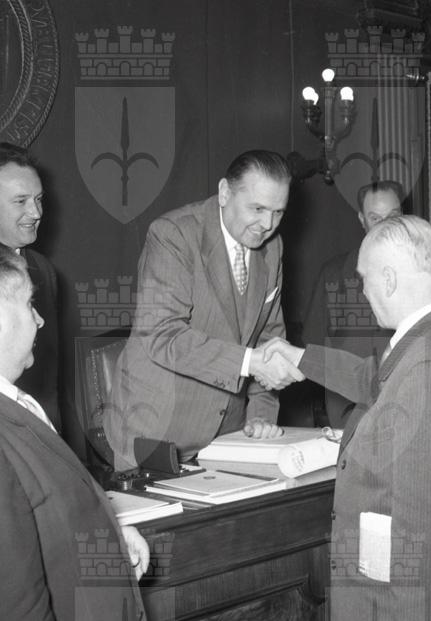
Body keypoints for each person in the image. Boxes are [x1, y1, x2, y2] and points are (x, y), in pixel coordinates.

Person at [265, 215, 431, 620]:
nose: (363, 290)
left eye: (364, 278)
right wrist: (302, 358)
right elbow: (379, 381)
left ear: (387, 279)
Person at [104, 150, 303, 471]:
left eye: (278, 212)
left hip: (226, 435)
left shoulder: (272, 247)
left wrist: (260, 416)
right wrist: (250, 362)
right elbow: (162, 335)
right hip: (154, 430)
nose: (267, 224)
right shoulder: (173, 234)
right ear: (224, 193)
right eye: (257, 208)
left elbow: (269, 339)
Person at [0, 246, 149, 619]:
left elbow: (46, 515)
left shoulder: (17, 402)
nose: (40, 321)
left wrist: (108, 533)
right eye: (28, 304)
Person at [301, 180, 403, 427]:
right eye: (375, 218)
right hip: (347, 406)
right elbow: (313, 344)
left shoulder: (420, 274)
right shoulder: (334, 274)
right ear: (361, 219)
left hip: (404, 400)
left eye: (393, 216)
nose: (385, 225)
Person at [0, 142, 59, 428]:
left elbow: (49, 380)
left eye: (38, 199)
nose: (36, 212)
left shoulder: (43, 269)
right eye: (21, 201)